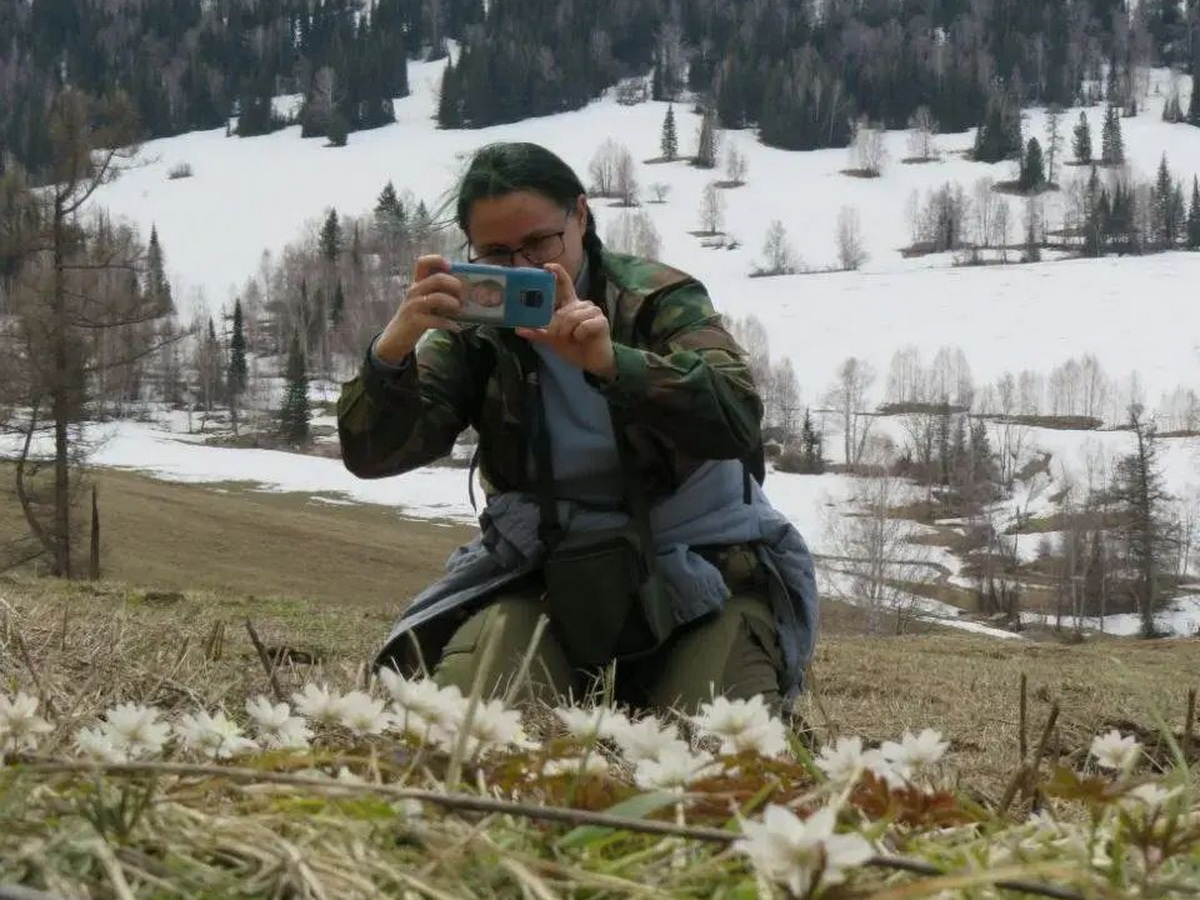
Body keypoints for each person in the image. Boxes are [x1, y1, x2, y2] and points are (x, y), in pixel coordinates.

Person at [337, 141, 818, 715]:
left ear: (581, 217)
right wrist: (392, 352)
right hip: (546, 572)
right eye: (496, 253)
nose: (522, 268)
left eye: (540, 243)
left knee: (713, 740)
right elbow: (373, 454)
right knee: (470, 726)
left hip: (703, 563)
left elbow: (736, 418)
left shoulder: (656, 299)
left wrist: (614, 365)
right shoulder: (477, 329)